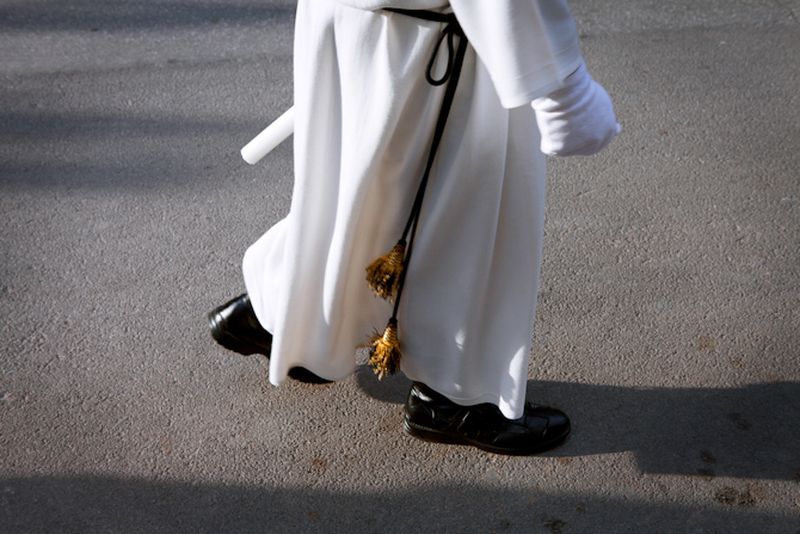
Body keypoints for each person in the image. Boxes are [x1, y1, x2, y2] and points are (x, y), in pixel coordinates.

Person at [208, 0, 619, 455]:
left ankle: (285, 313)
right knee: (469, 216)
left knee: (360, 192)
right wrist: (563, 87)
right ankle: (457, 396)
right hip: (433, 38)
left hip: (355, 19)